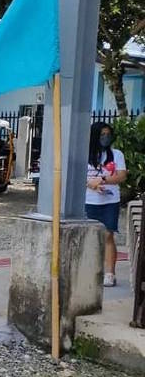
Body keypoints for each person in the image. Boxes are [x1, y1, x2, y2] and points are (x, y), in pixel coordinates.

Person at [86, 122, 127, 287]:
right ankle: (92, 269)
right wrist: (92, 184)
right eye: (102, 134)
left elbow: (122, 176)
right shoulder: (86, 155)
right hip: (89, 200)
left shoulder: (117, 154)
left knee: (108, 235)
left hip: (110, 201)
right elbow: (78, 174)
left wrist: (103, 180)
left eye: (108, 134)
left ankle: (110, 273)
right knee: (90, 237)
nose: (105, 137)